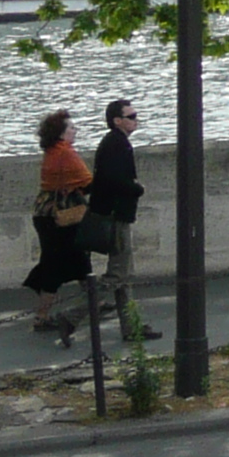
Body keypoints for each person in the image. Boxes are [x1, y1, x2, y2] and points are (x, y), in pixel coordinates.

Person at [22, 109, 96, 336]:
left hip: (45, 214)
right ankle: (42, 317)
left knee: (76, 260)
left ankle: (93, 303)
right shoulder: (66, 154)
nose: (75, 130)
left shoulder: (52, 151)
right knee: (61, 264)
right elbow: (87, 184)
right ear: (62, 134)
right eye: (71, 128)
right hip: (61, 217)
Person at [89, 98, 143, 308]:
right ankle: (73, 315)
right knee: (118, 274)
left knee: (124, 274)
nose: (135, 120)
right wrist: (137, 189)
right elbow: (115, 181)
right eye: (131, 117)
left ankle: (131, 326)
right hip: (116, 215)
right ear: (117, 121)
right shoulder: (116, 144)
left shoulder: (115, 142)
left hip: (115, 214)